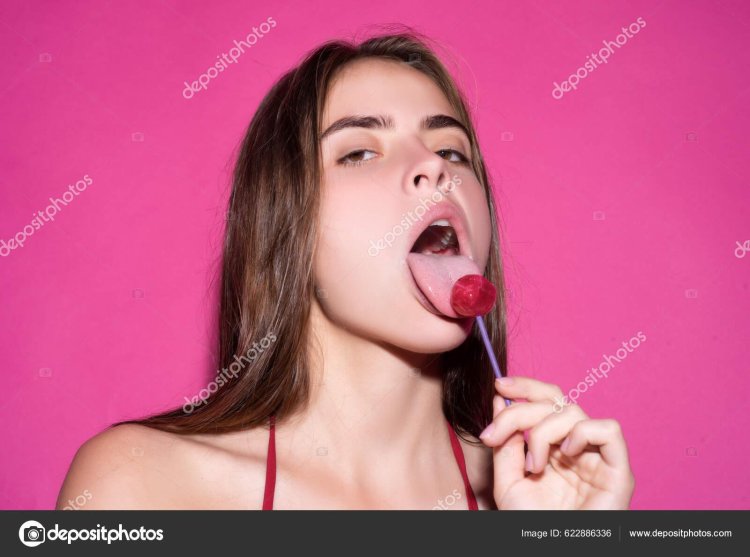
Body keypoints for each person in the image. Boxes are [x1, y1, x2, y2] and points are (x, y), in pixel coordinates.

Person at [56, 29, 635, 510]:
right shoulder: (144, 484)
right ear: (285, 226)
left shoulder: (538, 496)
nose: (433, 167)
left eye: (452, 151)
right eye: (359, 151)